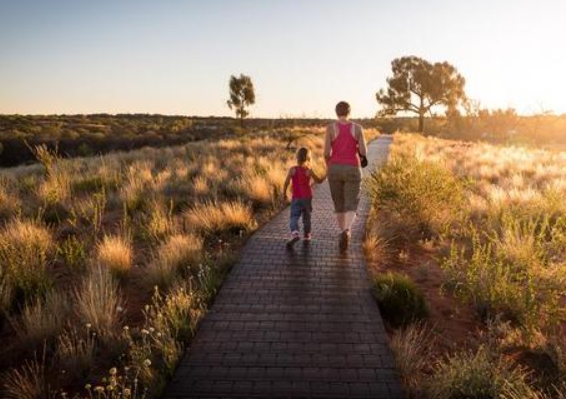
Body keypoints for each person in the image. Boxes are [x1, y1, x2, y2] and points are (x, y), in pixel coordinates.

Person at [324, 101, 368, 251]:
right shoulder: (357, 128)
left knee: (339, 204)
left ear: (336, 112)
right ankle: (347, 231)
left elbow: (326, 153)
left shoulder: (330, 128)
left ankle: (342, 231)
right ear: (349, 112)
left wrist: (329, 165)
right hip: (352, 169)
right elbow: (363, 151)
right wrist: (357, 145)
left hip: (334, 168)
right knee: (351, 203)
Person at [282, 147, 325, 248]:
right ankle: (307, 235)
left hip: (296, 197)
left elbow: (286, 183)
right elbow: (319, 181)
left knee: (294, 216)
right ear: (307, 158)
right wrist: (325, 174)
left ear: (297, 157)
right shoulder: (309, 171)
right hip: (307, 197)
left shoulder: (292, 170)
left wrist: (284, 194)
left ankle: (295, 233)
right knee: (307, 217)